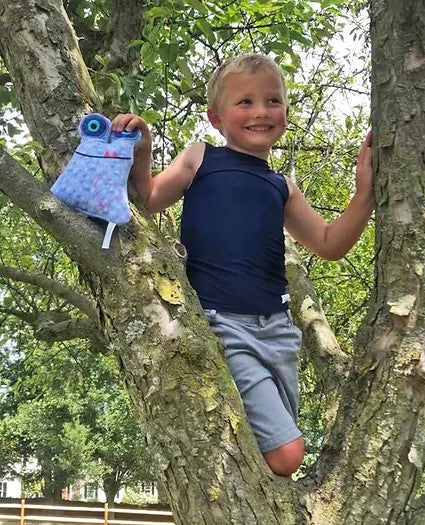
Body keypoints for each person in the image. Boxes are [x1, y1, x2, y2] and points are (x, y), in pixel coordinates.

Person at [111, 53, 374, 477]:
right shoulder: (201, 157)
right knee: (286, 454)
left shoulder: (281, 186)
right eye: (245, 102)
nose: (260, 111)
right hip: (223, 323)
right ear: (216, 118)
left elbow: (329, 243)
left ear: (286, 112)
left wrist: (365, 193)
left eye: (273, 100)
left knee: (272, 458)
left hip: (280, 331)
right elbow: (149, 198)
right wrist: (142, 148)